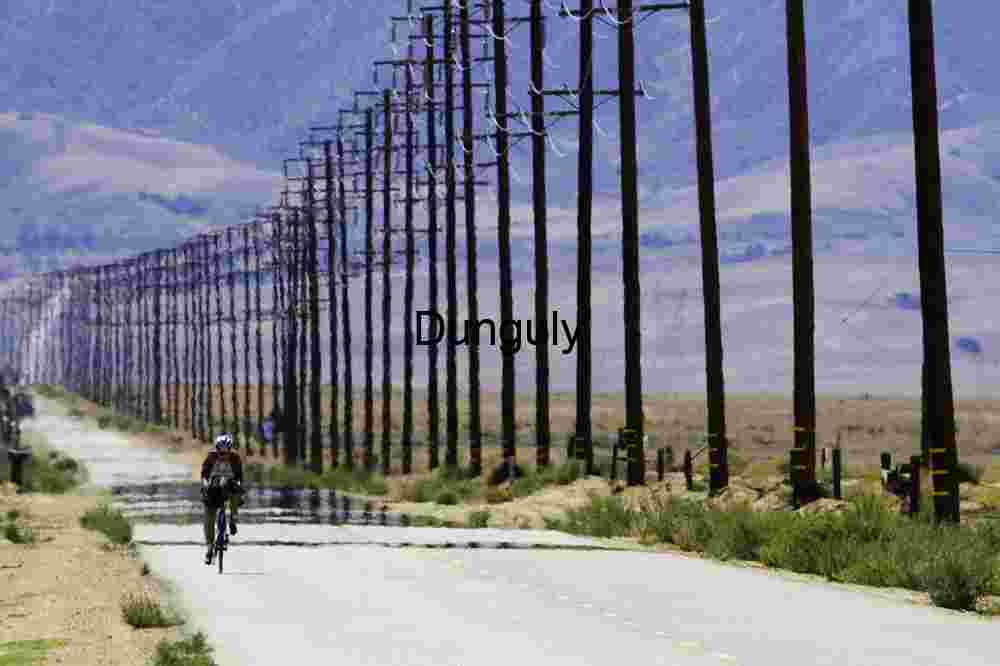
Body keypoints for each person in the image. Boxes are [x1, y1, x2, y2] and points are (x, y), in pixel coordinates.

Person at [201, 433, 245, 565]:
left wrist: (239, 489)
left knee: (236, 492)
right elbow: (203, 475)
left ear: (230, 450)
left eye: (226, 452)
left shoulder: (235, 458)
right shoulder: (210, 457)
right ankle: (209, 547)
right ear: (217, 450)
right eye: (221, 452)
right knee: (209, 516)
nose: (224, 455)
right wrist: (206, 485)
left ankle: (233, 519)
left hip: (229, 487)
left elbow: (239, 478)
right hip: (213, 488)